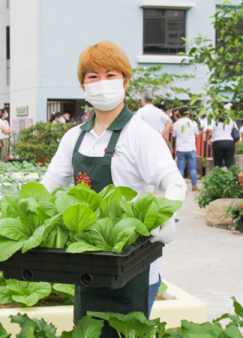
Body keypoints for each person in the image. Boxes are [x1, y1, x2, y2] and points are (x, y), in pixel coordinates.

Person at [39, 41, 182, 338]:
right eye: (93, 76)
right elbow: (44, 189)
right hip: (88, 265)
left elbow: (173, 182)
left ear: (126, 82)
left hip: (133, 266)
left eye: (110, 74)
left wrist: (168, 214)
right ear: (83, 85)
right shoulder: (73, 138)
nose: (101, 83)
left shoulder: (141, 135)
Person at [172, 108, 199, 190]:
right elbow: (196, 135)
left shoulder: (176, 124)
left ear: (179, 114)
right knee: (192, 168)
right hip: (191, 148)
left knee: (181, 168)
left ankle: (179, 186)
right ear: (188, 114)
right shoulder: (193, 123)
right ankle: (194, 186)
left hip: (180, 148)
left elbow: (174, 136)